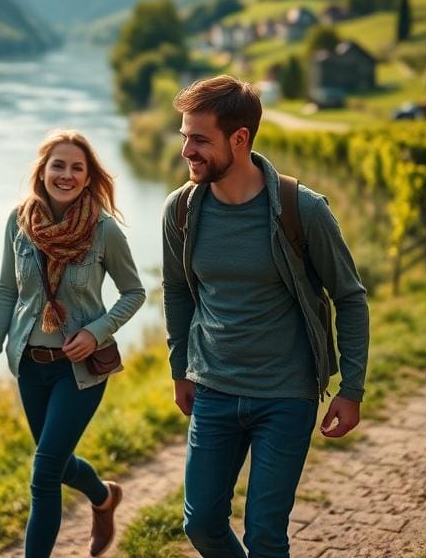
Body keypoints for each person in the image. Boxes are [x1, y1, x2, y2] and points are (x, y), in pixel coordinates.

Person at [161, 75, 369, 558]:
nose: (187, 150)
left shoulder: (302, 209)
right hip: (212, 390)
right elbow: (176, 291)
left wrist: (351, 389)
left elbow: (350, 297)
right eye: (184, 137)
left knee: (266, 536)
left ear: (240, 139)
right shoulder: (181, 211)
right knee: (202, 524)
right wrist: (179, 370)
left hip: (286, 397)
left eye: (199, 139)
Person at [0, 129, 146, 557]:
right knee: (57, 462)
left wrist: (96, 333)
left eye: (77, 167)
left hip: (81, 371)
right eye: (58, 165)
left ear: (88, 178)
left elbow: (134, 293)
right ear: (43, 171)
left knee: (44, 472)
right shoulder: (19, 223)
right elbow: (5, 292)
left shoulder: (104, 231)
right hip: (30, 366)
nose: (66, 175)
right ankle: (104, 497)